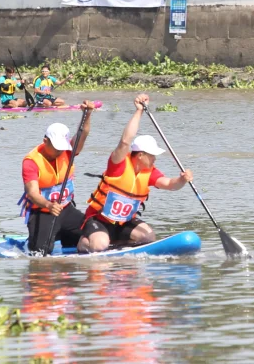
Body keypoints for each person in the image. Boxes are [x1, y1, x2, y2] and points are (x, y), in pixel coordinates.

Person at [78, 94, 193, 253]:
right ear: (140, 155)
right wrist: (139, 111)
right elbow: (125, 141)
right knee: (100, 245)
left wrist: (182, 179)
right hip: (99, 219)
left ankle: (119, 245)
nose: (154, 158)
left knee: (148, 236)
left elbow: (170, 184)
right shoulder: (118, 165)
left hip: (124, 222)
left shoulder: (149, 172)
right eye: (151, 155)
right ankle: (85, 242)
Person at [18, 104, 95, 255]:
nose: (59, 151)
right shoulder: (31, 162)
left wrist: (87, 114)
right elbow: (32, 194)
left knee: (94, 229)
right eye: (55, 147)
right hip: (42, 212)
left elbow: (83, 133)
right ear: (45, 141)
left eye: (61, 147)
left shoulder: (67, 151)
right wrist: (48, 205)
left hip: (66, 209)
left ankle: (67, 237)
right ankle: (40, 238)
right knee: (41, 252)